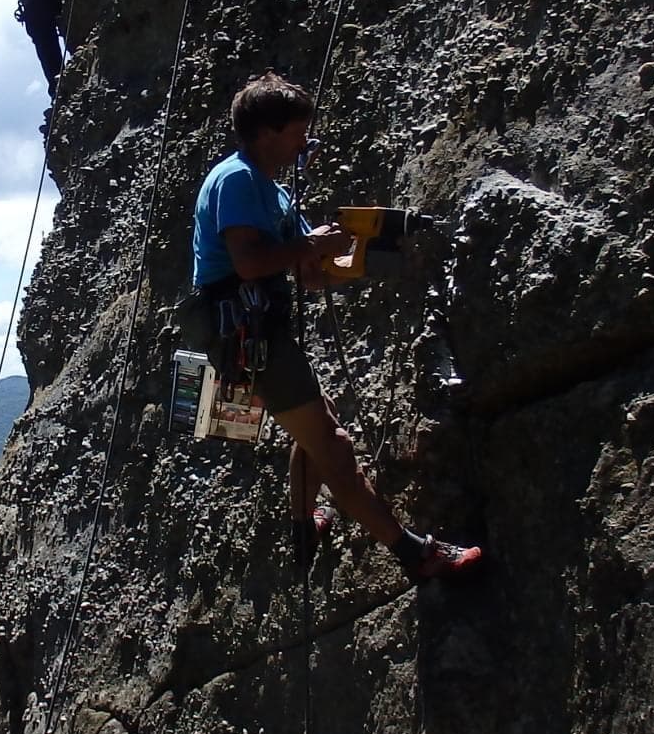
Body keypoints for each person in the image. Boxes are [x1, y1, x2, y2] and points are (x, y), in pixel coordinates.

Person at [187, 72, 484, 581]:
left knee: (314, 431)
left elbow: (308, 273)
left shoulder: (272, 191)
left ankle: (303, 527)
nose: (307, 141)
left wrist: (353, 252)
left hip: (262, 329)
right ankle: (415, 553)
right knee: (334, 446)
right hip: (245, 330)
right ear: (265, 133)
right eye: (297, 131)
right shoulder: (236, 179)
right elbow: (248, 263)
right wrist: (309, 248)